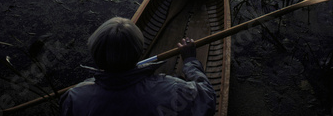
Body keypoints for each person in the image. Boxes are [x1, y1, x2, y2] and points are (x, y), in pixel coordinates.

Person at [59, 17, 217, 116]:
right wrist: (190, 61)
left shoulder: (75, 97)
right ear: (139, 52)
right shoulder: (172, 90)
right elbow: (208, 98)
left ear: (95, 53)